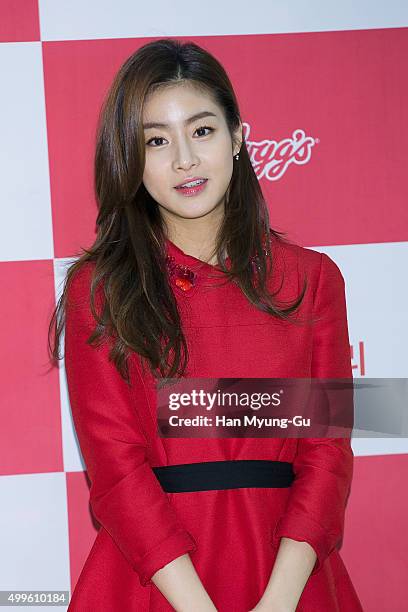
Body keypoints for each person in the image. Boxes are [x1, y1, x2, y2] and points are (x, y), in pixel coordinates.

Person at [49, 38, 364, 611]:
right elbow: (116, 472)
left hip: (290, 581)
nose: (185, 161)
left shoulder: (312, 280)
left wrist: (279, 601)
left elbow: (327, 453)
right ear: (130, 158)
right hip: (156, 584)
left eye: (202, 131)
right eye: (157, 141)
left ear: (238, 136)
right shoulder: (99, 291)